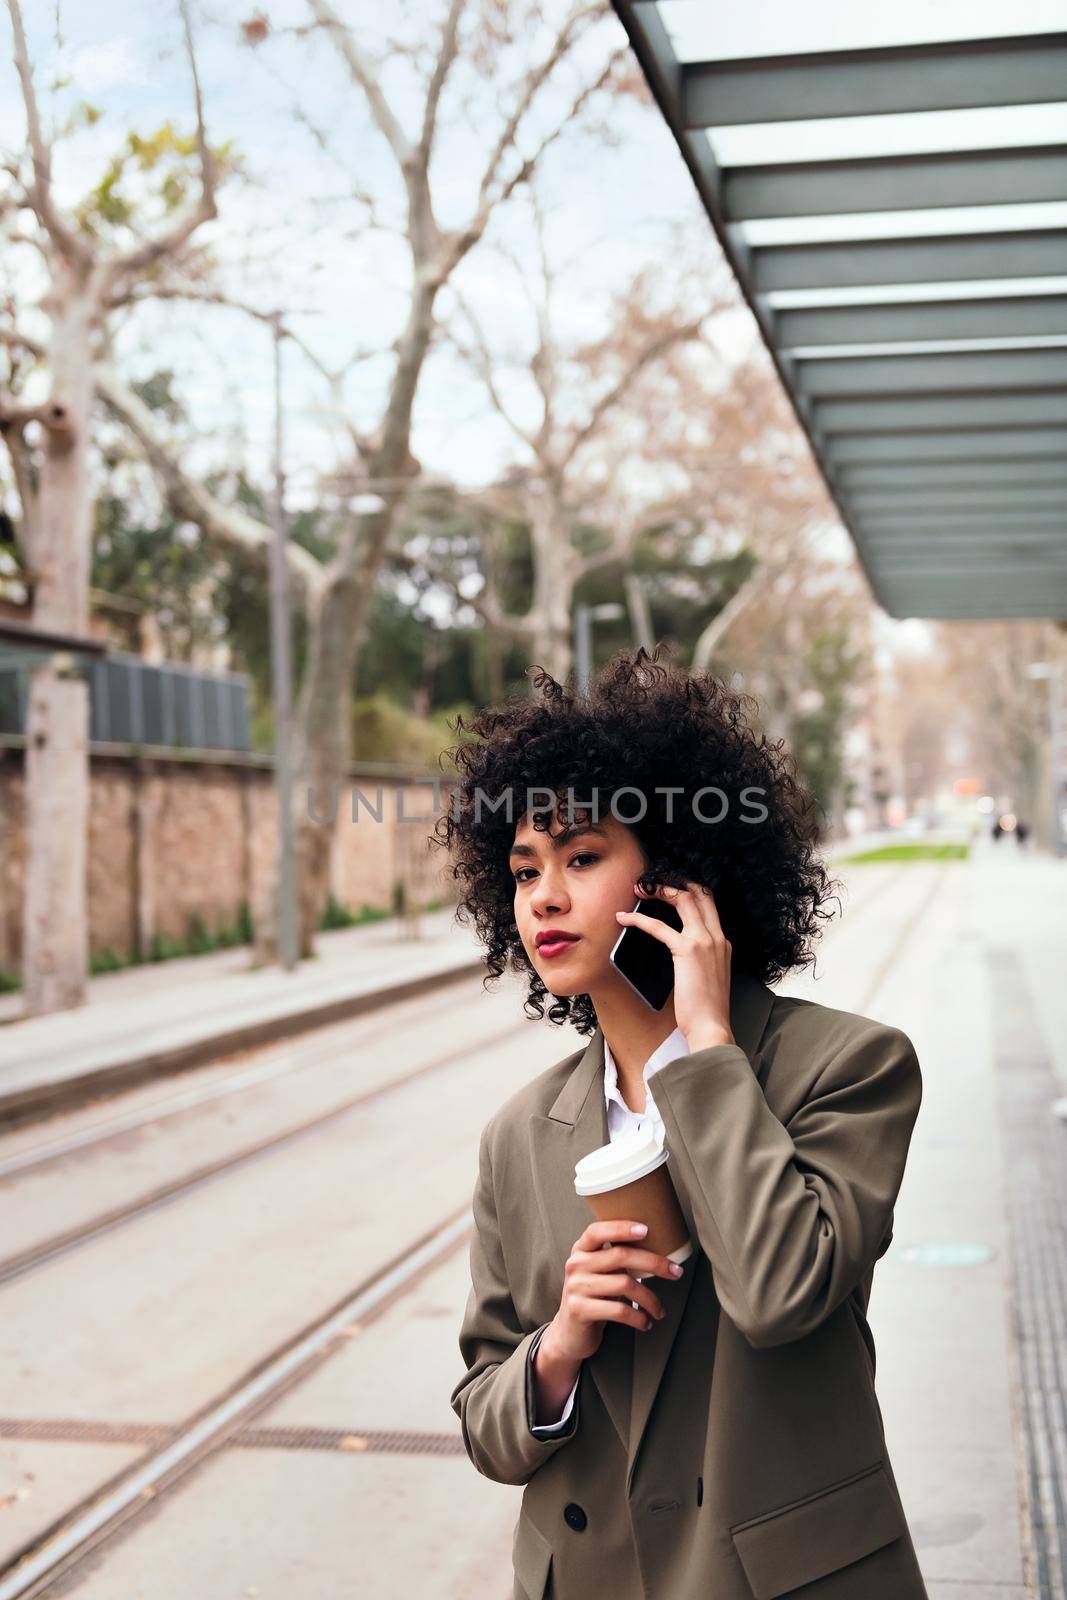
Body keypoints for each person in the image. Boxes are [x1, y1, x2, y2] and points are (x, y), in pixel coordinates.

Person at [438, 645, 929, 1600]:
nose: (543, 894)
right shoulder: (519, 1132)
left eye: (582, 857)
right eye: (524, 868)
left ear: (675, 876)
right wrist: (559, 1347)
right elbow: (484, 1426)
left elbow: (781, 1292)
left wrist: (706, 1051)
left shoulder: (848, 1067)